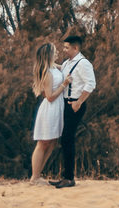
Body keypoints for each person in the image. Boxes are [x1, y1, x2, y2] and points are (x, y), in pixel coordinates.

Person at [52, 34, 95, 189]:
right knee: (65, 140)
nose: (64, 50)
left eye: (66, 47)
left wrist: (79, 102)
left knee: (67, 139)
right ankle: (66, 177)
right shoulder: (68, 62)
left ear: (75, 48)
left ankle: (69, 178)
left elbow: (91, 84)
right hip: (65, 103)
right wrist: (48, 63)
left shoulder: (83, 63)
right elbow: (61, 69)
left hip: (74, 104)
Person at [29, 42, 73, 185]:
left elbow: (66, 66)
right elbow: (49, 96)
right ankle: (34, 177)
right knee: (43, 143)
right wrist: (64, 84)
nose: (58, 53)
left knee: (53, 142)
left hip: (57, 108)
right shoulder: (47, 73)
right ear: (49, 55)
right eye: (55, 52)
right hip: (50, 108)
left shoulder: (54, 67)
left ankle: (37, 174)